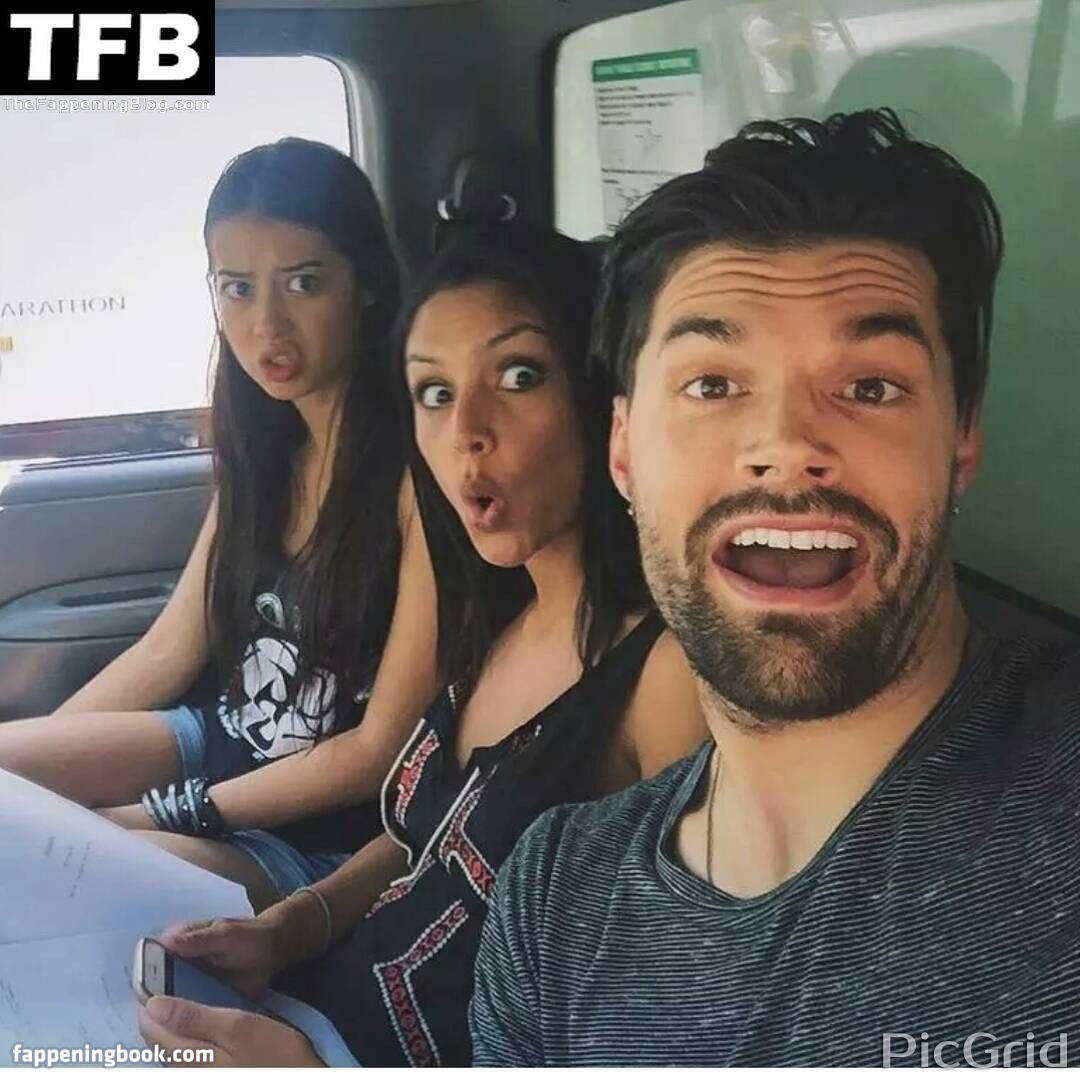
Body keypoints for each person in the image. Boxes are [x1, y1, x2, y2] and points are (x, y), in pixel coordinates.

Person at [468, 110, 1080, 1067]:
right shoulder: (553, 901)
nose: (788, 445)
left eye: (870, 387)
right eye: (713, 385)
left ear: (961, 439)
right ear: (624, 447)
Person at [134, 223, 708, 1066]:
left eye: (519, 376)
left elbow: (663, 1016)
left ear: (605, 400)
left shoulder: (663, 674)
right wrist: (285, 931)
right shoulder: (501, 617)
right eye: (434, 393)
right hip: (304, 1001)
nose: (467, 430)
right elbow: (425, 843)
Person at [0, 139, 438, 910]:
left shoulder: (418, 478)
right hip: (215, 743)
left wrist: (161, 815)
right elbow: (169, 650)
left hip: (316, 835)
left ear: (367, 285)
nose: (267, 324)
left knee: (55, 871)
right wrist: (36, 793)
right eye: (237, 288)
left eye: (304, 283)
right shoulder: (267, 450)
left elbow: (379, 751)